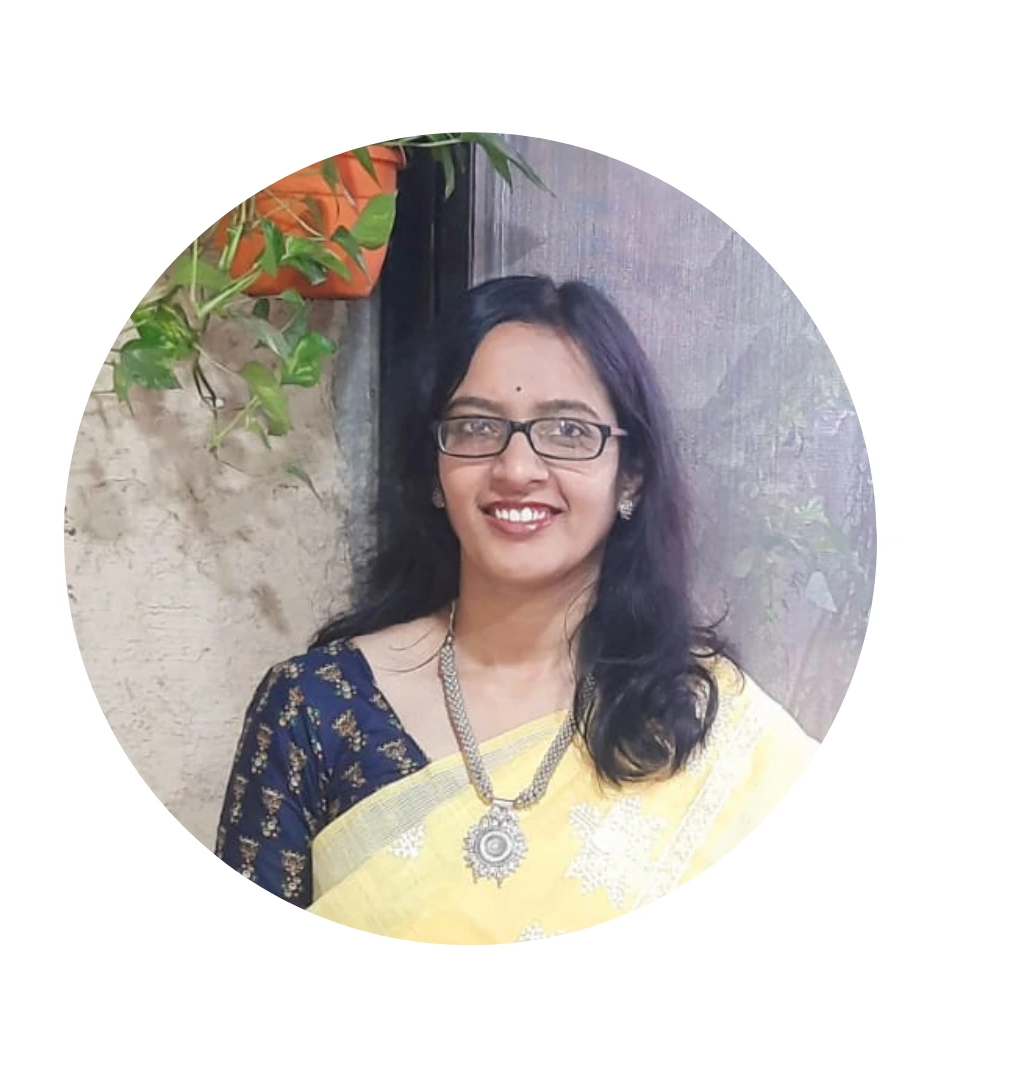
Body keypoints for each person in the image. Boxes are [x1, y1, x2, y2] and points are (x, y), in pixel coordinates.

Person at [215, 275, 817, 944]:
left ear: (631, 474)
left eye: (568, 431)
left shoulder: (714, 727)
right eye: (476, 427)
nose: (517, 468)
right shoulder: (314, 709)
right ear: (435, 469)